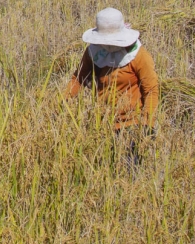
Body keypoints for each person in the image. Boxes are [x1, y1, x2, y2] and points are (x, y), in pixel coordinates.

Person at [65, 8, 159, 152]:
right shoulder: (94, 52)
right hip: (102, 124)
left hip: (132, 125)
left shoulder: (138, 55)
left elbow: (151, 89)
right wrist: (61, 102)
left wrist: (147, 124)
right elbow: (78, 79)